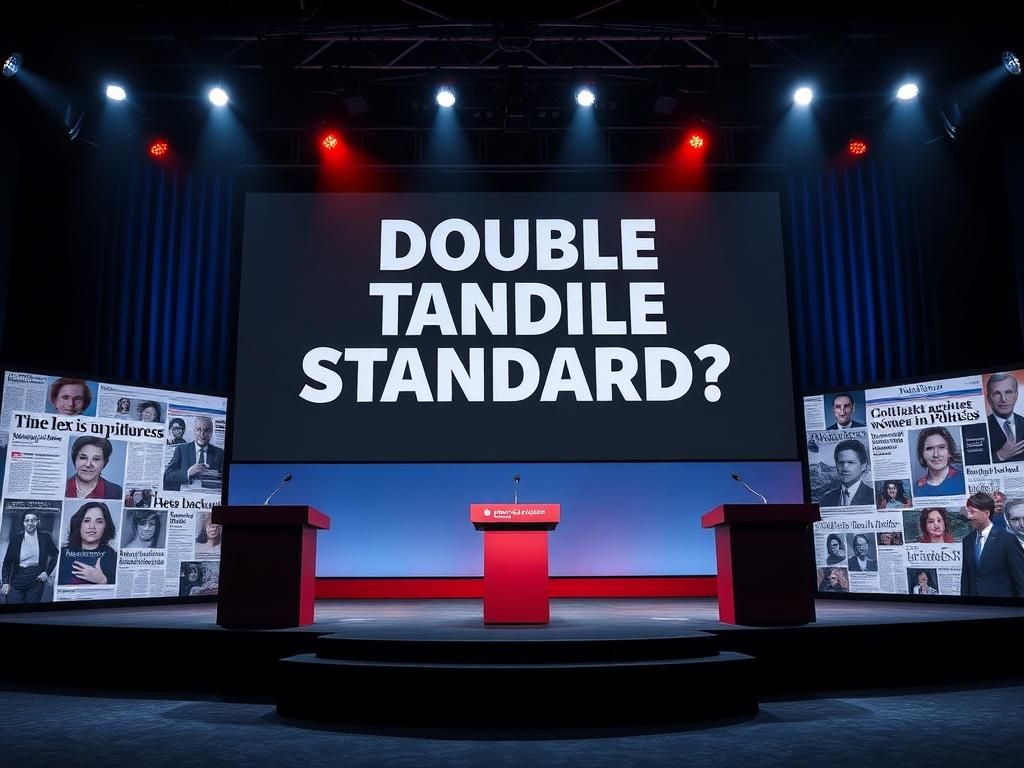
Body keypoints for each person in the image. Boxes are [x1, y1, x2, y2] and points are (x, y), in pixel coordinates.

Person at [960, 492, 1024, 597]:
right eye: (968, 512)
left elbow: (1021, 579)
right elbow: (966, 577)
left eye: (972, 512)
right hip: (975, 608)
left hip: (1001, 608)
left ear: (986, 513)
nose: (968, 516)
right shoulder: (968, 540)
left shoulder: (1007, 540)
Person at [1, 511, 58, 603]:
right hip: (18, 577)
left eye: (33, 520)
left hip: (36, 578)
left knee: (31, 611)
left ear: (37, 522)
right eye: (27, 520)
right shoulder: (16, 539)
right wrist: (5, 582)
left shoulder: (45, 538)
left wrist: (47, 572)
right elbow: (7, 563)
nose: (30, 523)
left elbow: (55, 554)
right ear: (23, 522)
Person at [57, 502, 118, 586]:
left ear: (106, 526)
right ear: (79, 524)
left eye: (99, 521)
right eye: (86, 521)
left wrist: (103, 580)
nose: (92, 526)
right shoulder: (63, 553)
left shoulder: (111, 555)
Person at [163, 416, 224, 491]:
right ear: (194, 431)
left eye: (206, 430)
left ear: (211, 432)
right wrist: (188, 473)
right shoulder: (181, 449)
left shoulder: (220, 453)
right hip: (186, 495)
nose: (202, 433)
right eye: (199, 430)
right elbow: (168, 475)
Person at [65, 436, 123, 500]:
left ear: (104, 462)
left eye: (96, 459)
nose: (88, 464)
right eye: (83, 458)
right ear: (74, 459)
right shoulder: (62, 486)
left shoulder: (116, 491)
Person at [819, 440, 873, 507]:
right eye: (841, 462)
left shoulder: (873, 496)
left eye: (850, 462)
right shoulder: (826, 499)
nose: (844, 467)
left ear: (863, 466)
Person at [914, 427, 965, 497]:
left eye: (941, 447)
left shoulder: (963, 480)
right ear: (922, 454)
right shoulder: (918, 487)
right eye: (929, 449)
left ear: (949, 452)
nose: (936, 454)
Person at [986, 373, 1024, 463]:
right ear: (988, 399)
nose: (1003, 399)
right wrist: (1000, 456)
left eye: (1008, 392)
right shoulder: (979, 428)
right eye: (996, 393)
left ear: (1016, 396)